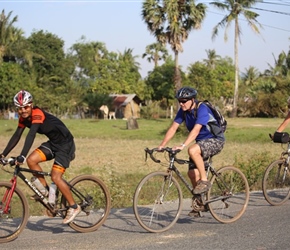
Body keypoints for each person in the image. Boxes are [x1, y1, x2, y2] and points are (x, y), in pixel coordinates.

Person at [0, 90, 80, 224]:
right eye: (20, 108)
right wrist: (3, 154)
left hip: (65, 145)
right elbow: (16, 136)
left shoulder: (37, 113)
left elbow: (31, 134)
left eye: (26, 107)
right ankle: (47, 193)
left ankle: (74, 206)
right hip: (53, 143)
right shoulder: (23, 118)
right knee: (32, 160)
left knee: (55, 176)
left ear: (31, 105)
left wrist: (22, 156)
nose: (23, 110)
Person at [157, 87, 225, 216]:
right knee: (192, 174)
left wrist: (183, 145)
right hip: (201, 143)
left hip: (216, 140)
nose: (181, 103)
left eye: (184, 101)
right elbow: (173, 128)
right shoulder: (183, 111)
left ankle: (204, 180)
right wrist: (162, 145)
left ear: (192, 99)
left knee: (192, 150)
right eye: (179, 101)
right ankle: (200, 203)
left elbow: (196, 130)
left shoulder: (202, 108)